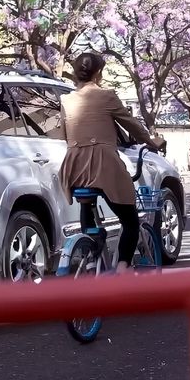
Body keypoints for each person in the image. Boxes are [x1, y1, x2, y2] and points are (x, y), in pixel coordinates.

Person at [60, 51, 162, 272]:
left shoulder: (66, 100)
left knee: (87, 202)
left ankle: (91, 242)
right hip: (104, 165)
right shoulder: (106, 95)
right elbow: (131, 125)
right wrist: (151, 142)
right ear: (98, 73)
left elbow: (65, 135)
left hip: (74, 166)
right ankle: (123, 268)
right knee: (130, 221)